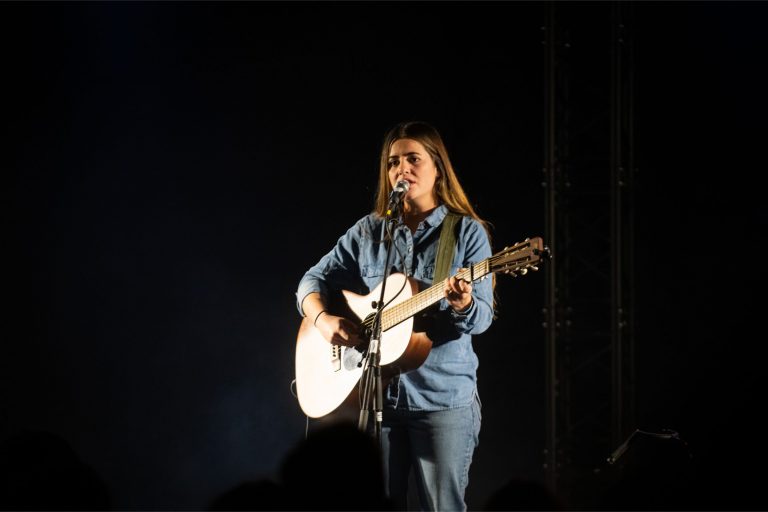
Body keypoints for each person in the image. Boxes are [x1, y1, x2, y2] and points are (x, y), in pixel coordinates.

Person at [295, 121, 495, 511]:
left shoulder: (466, 233)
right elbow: (311, 280)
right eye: (393, 162)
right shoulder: (369, 231)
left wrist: (462, 304)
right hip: (377, 399)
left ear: (438, 168)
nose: (402, 169)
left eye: (413, 159)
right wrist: (323, 320)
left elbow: (482, 317)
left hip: (442, 400)